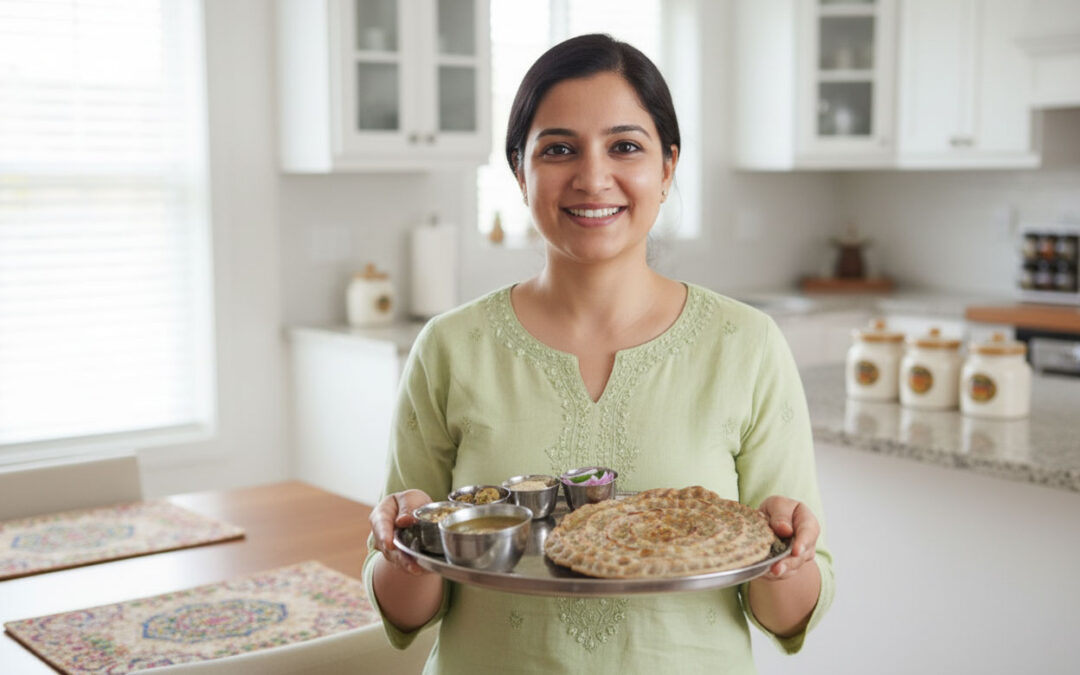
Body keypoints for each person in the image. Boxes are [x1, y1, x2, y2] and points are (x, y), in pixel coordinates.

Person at [364, 33, 835, 673]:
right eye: (558, 149)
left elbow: (787, 615)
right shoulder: (449, 348)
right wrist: (407, 545)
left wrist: (787, 551)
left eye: (625, 147)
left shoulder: (746, 345)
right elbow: (407, 613)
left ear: (667, 168)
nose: (592, 177)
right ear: (518, 170)